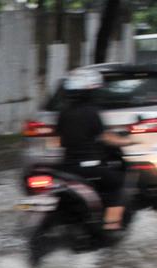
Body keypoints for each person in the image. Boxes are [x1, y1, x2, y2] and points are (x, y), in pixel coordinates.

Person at [56, 68, 135, 231]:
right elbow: (106, 137)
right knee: (119, 184)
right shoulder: (91, 112)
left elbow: (58, 140)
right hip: (89, 167)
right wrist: (128, 141)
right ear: (91, 91)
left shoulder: (63, 113)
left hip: (67, 168)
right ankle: (111, 226)